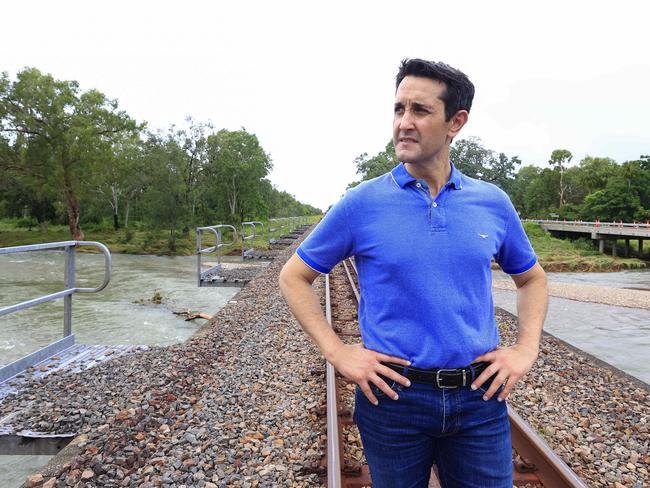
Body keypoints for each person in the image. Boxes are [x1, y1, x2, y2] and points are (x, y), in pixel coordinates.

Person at [279, 58, 548, 488]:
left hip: (479, 397)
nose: (404, 122)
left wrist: (526, 348)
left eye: (420, 110)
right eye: (398, 109)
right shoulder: (361, 203)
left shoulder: (492, 202)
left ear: (455, 122)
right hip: (394, 399)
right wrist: (337, 352)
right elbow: (293, 276)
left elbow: (532, 278)